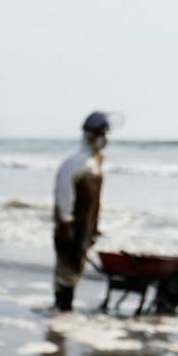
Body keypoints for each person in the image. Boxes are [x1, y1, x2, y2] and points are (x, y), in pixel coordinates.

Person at [51, 112, 109, 311]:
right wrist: (66, 225)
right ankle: (61, 309)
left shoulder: (95, 165)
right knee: (66, 272)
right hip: (70, 229)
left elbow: (95, 203)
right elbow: (64, 198)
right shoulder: (74, 164)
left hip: (84, 228)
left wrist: (94, 228)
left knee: (75, 270)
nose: (104, 139)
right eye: (101, 134)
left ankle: (64, 309)